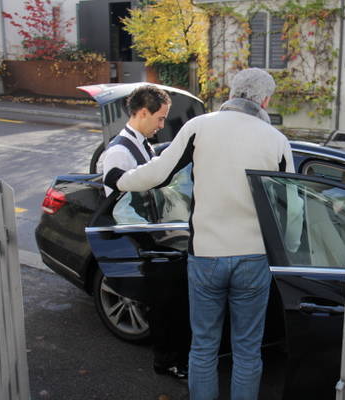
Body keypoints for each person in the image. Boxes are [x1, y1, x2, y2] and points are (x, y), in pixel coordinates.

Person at [104, 68, 302, 399]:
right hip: (253, 258)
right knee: (247, 350)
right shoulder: (276, 141)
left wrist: (118, 179)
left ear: (232, 92)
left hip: (207, 255)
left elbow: (159, 172)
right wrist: (289, 250)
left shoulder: (199, 127)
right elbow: (292, 207)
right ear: (265, 100)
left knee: (204, 346)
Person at [102, 85, 190, 380]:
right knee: (163, 307)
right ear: (142, 113)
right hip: (146, 240)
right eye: (160, 118)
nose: (162, 125)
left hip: (157, 234)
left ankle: (174, 357)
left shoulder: (142, 145)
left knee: (171, 304)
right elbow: (119, 206)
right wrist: (154, 235)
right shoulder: (119, 152)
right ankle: (166, 362)